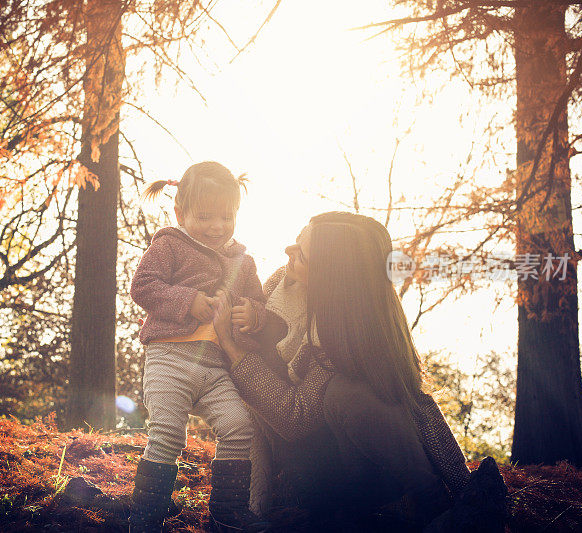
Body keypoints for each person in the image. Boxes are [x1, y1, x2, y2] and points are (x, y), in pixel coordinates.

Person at [212, 212, 506, 531]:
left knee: (349, 394)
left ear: (331, 275)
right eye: (297, 242)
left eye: (302, 254)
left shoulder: (347, 336)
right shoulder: (282, 286)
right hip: (302, 470)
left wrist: (232, 347)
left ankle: (429, 509)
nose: (288, 252)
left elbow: (294, 418)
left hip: (352, 474)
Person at [128, 161, 270, 532]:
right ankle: (145, 517)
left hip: (216, 367)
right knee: (169, 433)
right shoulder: (170, 244)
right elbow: (143, 286)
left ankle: (228, 511)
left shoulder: (244, 261)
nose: (217, 227)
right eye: (205, 216)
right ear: (180, 213)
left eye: (226, 216)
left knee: (239, 425)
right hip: (170, 358)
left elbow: (260, 305)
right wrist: (188, 300)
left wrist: (251, 315)